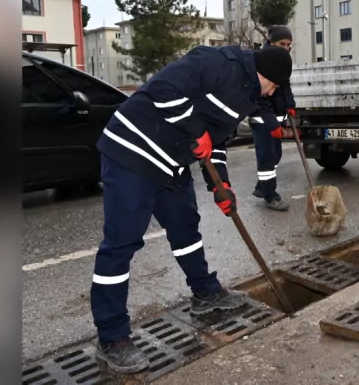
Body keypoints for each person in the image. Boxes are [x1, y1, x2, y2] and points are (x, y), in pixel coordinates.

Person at [90, 44, 297, 374]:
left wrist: (221, 185)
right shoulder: (215, 62)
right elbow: (163, 89)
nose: (273, 93)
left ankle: (205, 294)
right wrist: (195, 129)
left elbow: (214, 143)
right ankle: (112, 337)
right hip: (133, 151)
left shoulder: (246, 96)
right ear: (264, 76)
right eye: (274, 86)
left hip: (172, 161)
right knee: (121, 243)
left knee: (186, 229)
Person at [250, 25, 296, 211]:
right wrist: (270, 123)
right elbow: (260, 98)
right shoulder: (263, 62)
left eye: (288, 45)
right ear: (271, 43)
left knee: (275, 155)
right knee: (267, 157)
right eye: (281, 43)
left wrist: (290, 105)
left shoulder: (282, 61)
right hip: (263, 120)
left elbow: (286, 87)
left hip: (275, 119)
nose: (285, 48)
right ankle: (271, 195)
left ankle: (261, 187)